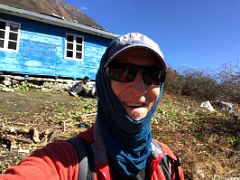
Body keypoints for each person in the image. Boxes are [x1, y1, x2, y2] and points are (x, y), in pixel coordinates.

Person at [0, 32, 184, 180]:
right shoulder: (67, 161)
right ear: (103, 83)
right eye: (124, 72)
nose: (139, 89)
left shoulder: (168, 161)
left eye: (153, 76)